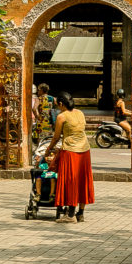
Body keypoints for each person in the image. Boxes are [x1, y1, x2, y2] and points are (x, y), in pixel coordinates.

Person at [45, 91, 94, 223]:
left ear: (61, 104)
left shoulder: (62, 116)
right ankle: (80, 213)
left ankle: (71, 215)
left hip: (71, 151)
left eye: (58, 105)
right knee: (82, 180)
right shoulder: (80, 113)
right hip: (85, 150)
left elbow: (56, 137)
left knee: (71, 181)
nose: (58, 107)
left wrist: (48, 150)